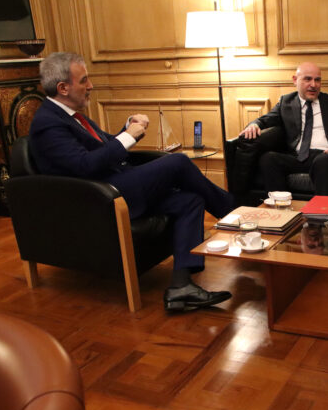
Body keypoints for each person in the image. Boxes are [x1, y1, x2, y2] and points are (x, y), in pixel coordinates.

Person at [29, 52, 234, 313]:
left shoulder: (71, 115)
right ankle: (235, 214)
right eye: (84, 80)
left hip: (115, 184)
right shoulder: (47, 124)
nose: (91, 86)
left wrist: (128, 128)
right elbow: (85, 166)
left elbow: (103, 146)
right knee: (178, 162)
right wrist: (128, 137)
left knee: (190, 201)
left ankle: (181, 286)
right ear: (63, 88)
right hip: (100, 198)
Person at [239, 62, 328, 195]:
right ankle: (280, 205)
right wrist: (254, 125)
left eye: (317, 80)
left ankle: (324, 208)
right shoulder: (286, 102)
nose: (313, 85)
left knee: (322, 161)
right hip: (299, 156)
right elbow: (266, 119)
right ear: (295, 80)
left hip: (326, 156)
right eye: (308, 79)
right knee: (269, 159)